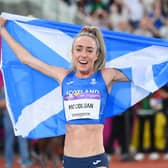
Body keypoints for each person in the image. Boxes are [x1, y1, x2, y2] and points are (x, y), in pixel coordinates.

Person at [0, 17, 129, 168]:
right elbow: (26, 59)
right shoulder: (64, 76)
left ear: (97, 55)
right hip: (70, 161)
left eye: (89, 50)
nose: (83, 54)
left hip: (96, 160)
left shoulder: (107, 76)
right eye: (79, 49)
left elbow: (142, 71)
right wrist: (2, 30)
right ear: (73, 52)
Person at [0, 87, 32, 168]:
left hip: (20, 116)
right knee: (9, 139)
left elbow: (27, 103)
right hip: (9, 116)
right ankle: (9, 162)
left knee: (21, 138)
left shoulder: (20, 87)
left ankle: (24, 161)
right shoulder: (6, 88)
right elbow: (1, 104)